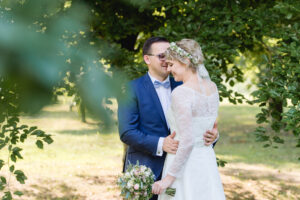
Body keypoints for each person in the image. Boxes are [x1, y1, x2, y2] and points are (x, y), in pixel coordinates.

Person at [118, 37, 219, 200]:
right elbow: (127, 132)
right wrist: (160, 144)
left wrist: (213, 136)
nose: (166, 60)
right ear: (147, 59)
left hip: (183, 171)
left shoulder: (185, 86)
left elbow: (200, 126)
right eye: (161, 56)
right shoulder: (130, 89)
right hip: (147, 171)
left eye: (169, 56)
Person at [151, 39, 226, 199]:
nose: (169, 69)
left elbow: (188, 140)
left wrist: (167, 179)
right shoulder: (212, 87)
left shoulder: (181, 93)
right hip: (206, 162)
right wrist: (215, 135)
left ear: (185, 61)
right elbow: (208, 127)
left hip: (183, 167)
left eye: (171, 64)